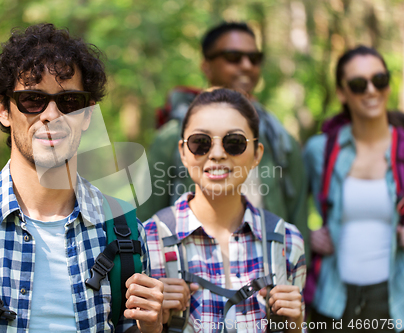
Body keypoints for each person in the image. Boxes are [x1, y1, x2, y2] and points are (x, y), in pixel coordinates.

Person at [0, 23, 164, 333]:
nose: (51, 115)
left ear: (88, 116)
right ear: (3, 109)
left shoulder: (126, 232)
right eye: (32, 99)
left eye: (69, 102)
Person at [138, 22, 309, 262]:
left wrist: (294, 287)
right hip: (186, 271)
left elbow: (298, 215)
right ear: (206, 66)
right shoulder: (170, 138)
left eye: (254, 58)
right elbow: (143, 220)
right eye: (233, 57)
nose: (246, 66)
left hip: (267, 274)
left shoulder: (280, 139)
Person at [144, 88, 306, 332]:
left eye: (234, 143)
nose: (217, 154)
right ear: (183, 153)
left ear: (256, 155)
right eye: (201, 143)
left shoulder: (287, 243)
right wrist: (152, 325)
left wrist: (295, 327)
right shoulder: (148, 240)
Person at [304, 46, 404, 332]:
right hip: (333, 301)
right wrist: (305, 235)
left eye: (379, 80)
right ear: (341, 92)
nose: (371, 90)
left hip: (395, 301)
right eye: (359, 84)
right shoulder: (319, 151)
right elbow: (287, 208)